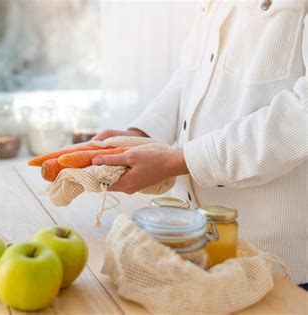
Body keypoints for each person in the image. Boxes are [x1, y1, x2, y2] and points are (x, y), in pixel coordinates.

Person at [92, 0, 307, 288]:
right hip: (192, 245)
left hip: (276, 263)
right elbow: (194, 72)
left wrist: (177, 162)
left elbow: (300, 117)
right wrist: (139, 133)